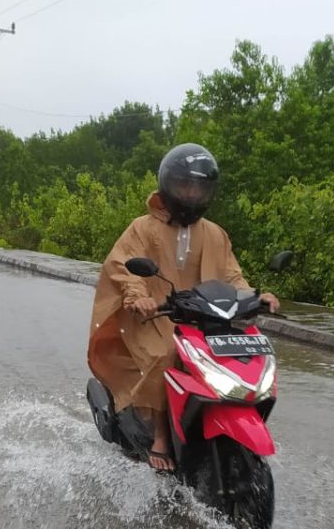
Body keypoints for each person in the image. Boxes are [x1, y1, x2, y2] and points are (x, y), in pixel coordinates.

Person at [87, 143, 279, 472]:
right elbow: (122, 266)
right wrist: (138, 297)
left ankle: (215, 422)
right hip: (155, 317)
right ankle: (161, 435)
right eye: (184, 185)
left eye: (199, 187)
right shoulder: (143, 228)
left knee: (239, 354)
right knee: (166, 354)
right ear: (168, 184)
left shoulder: (215, 233)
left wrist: (255, 296)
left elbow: (232, 274)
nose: (191, 194)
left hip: (203, 319)